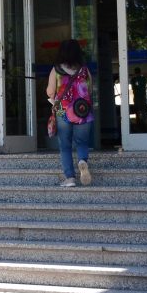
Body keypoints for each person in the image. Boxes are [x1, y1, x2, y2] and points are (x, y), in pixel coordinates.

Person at [45, 39, 94, 187]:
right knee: (82, 142)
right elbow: (90, 89)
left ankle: (70, 178)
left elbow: (50, 91)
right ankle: (82, 161)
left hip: (63, 111)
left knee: (65, 145)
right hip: (82, 111)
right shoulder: (84, 70)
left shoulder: (56, 70)